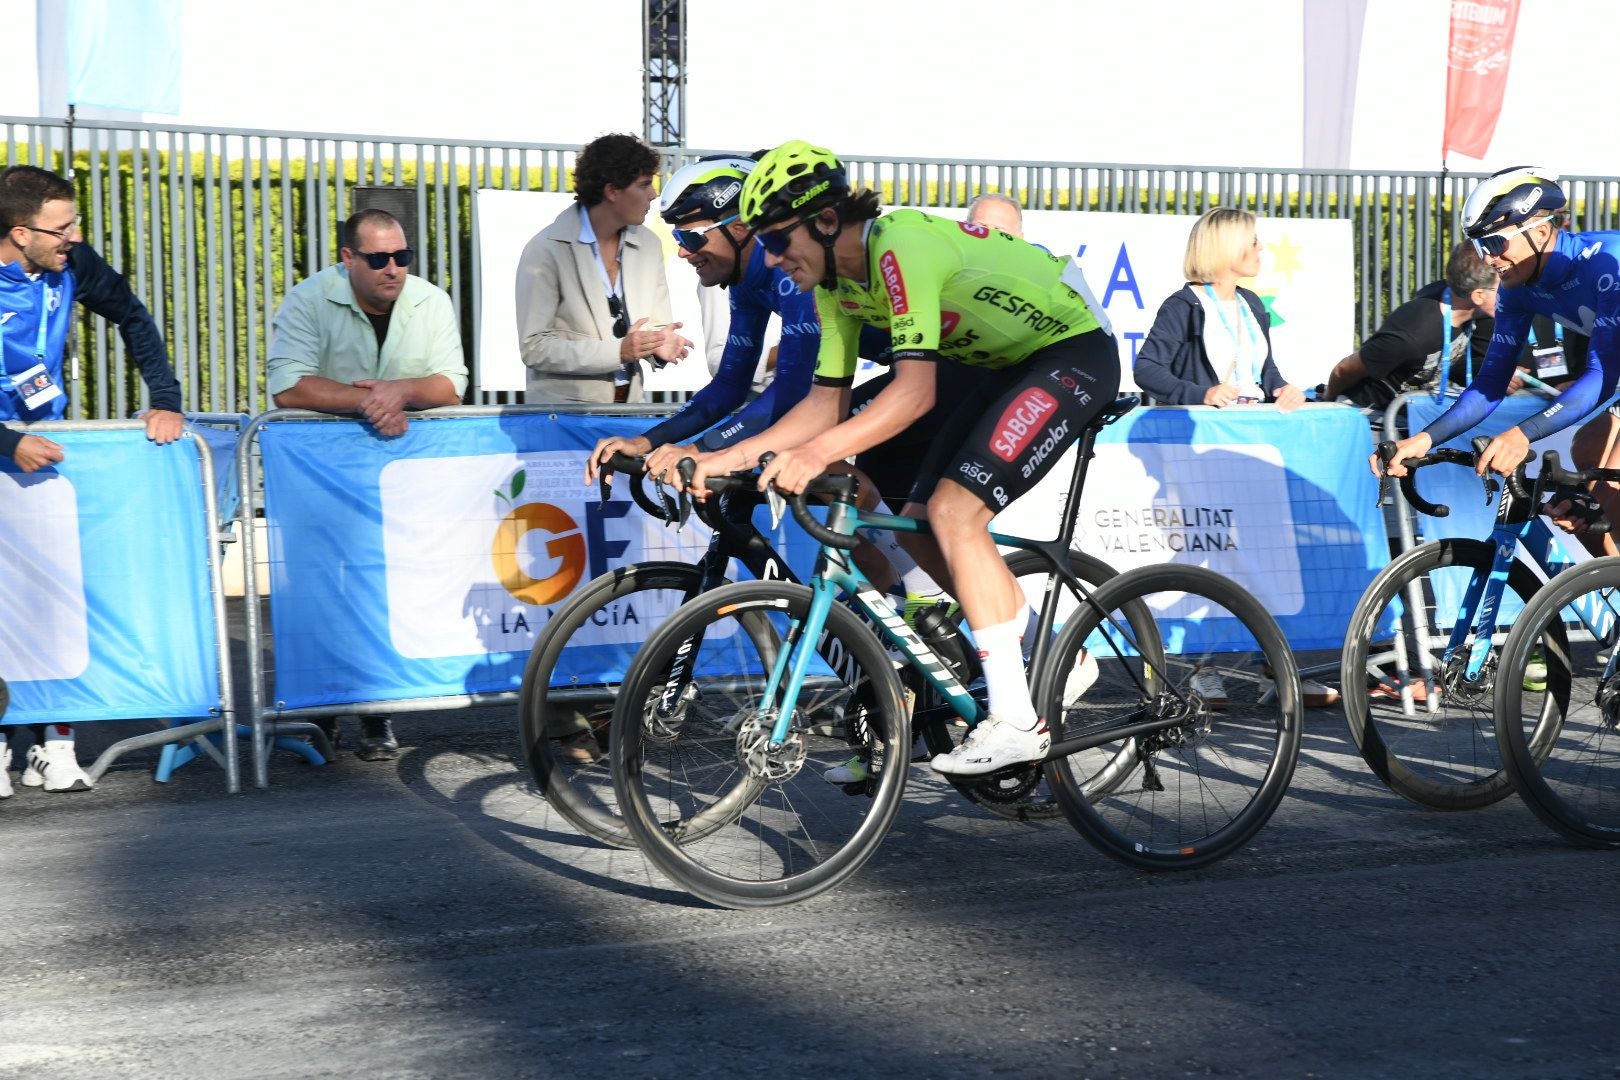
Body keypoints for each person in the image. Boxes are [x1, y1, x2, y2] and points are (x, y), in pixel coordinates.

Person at [686, 140, 1119, 777]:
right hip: (997, 365)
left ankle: (1018, 722)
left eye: (778, 241)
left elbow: (915, 393)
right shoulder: (835, 286)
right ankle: (1058, 655)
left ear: (826, 221)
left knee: (955, 513)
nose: (773, 259)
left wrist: (816, 452)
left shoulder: (900, 247)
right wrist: (728, 454)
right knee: (918, 520)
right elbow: (823, 405)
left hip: (1070, 352)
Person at [0, 164, 186, 794]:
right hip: (8, 448)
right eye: (62, 228)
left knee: (49, 602)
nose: (75, 237)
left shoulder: (71, 263)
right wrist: (7, 441)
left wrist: (165, 399)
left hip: (44, 456)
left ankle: (54, 742)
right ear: (20, 233)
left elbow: (132, 314)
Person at [267, 207, 469, 759]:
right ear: (348, 258)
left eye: (402, 257)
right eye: (379, 259)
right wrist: (370, 400)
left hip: (400, 473)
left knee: (388, 584)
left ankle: (378, 711)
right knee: (321, 587)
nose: (393, 269)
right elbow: (288, 386)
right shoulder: (307, 300)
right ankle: (322, 709)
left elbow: (452, 384)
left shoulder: (431, 300)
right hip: (321, 473)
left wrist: (399, 390)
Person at [1375, 167, 1620, 543]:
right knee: (1583, 495)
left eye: (1494, 243)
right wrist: (1425, 438)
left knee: (1606, 494)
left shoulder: (1606, 263)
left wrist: (1522, 434)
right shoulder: (1517, 289)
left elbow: (1602, 374)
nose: (1488, 259)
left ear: (1540, 232)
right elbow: (1490, 383)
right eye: (1479, 246)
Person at [515, 133, 691, 404]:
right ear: (612, 191)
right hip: (564, 416)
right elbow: (534, 347)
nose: (653, 194)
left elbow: (653, 325)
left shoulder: (649, 243)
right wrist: (618, 352)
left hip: (629, 409)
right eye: (644, 185)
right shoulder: (545, 249)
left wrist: (659, 343)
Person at [1133, 207, 1307, 410]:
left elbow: (1266, 370)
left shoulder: (1251, 302)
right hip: (1208, 425)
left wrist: (1282, 388)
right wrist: (1203, 395)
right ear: (1228, 248)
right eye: (1253, 241)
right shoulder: (1183, 305)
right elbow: (1146, 369)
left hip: (1256, 420)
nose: (1261, 247)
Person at [1323, 241, 1499, 412]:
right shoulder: (1412, 335)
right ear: (1478, 296)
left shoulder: (1477, 314)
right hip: (1369, 414)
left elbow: (1461, 365)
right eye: (1502, 286)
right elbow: (1343, 370)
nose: (1510, 290)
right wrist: (1327, 401)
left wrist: (1501, 376)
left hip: (1412, 415)